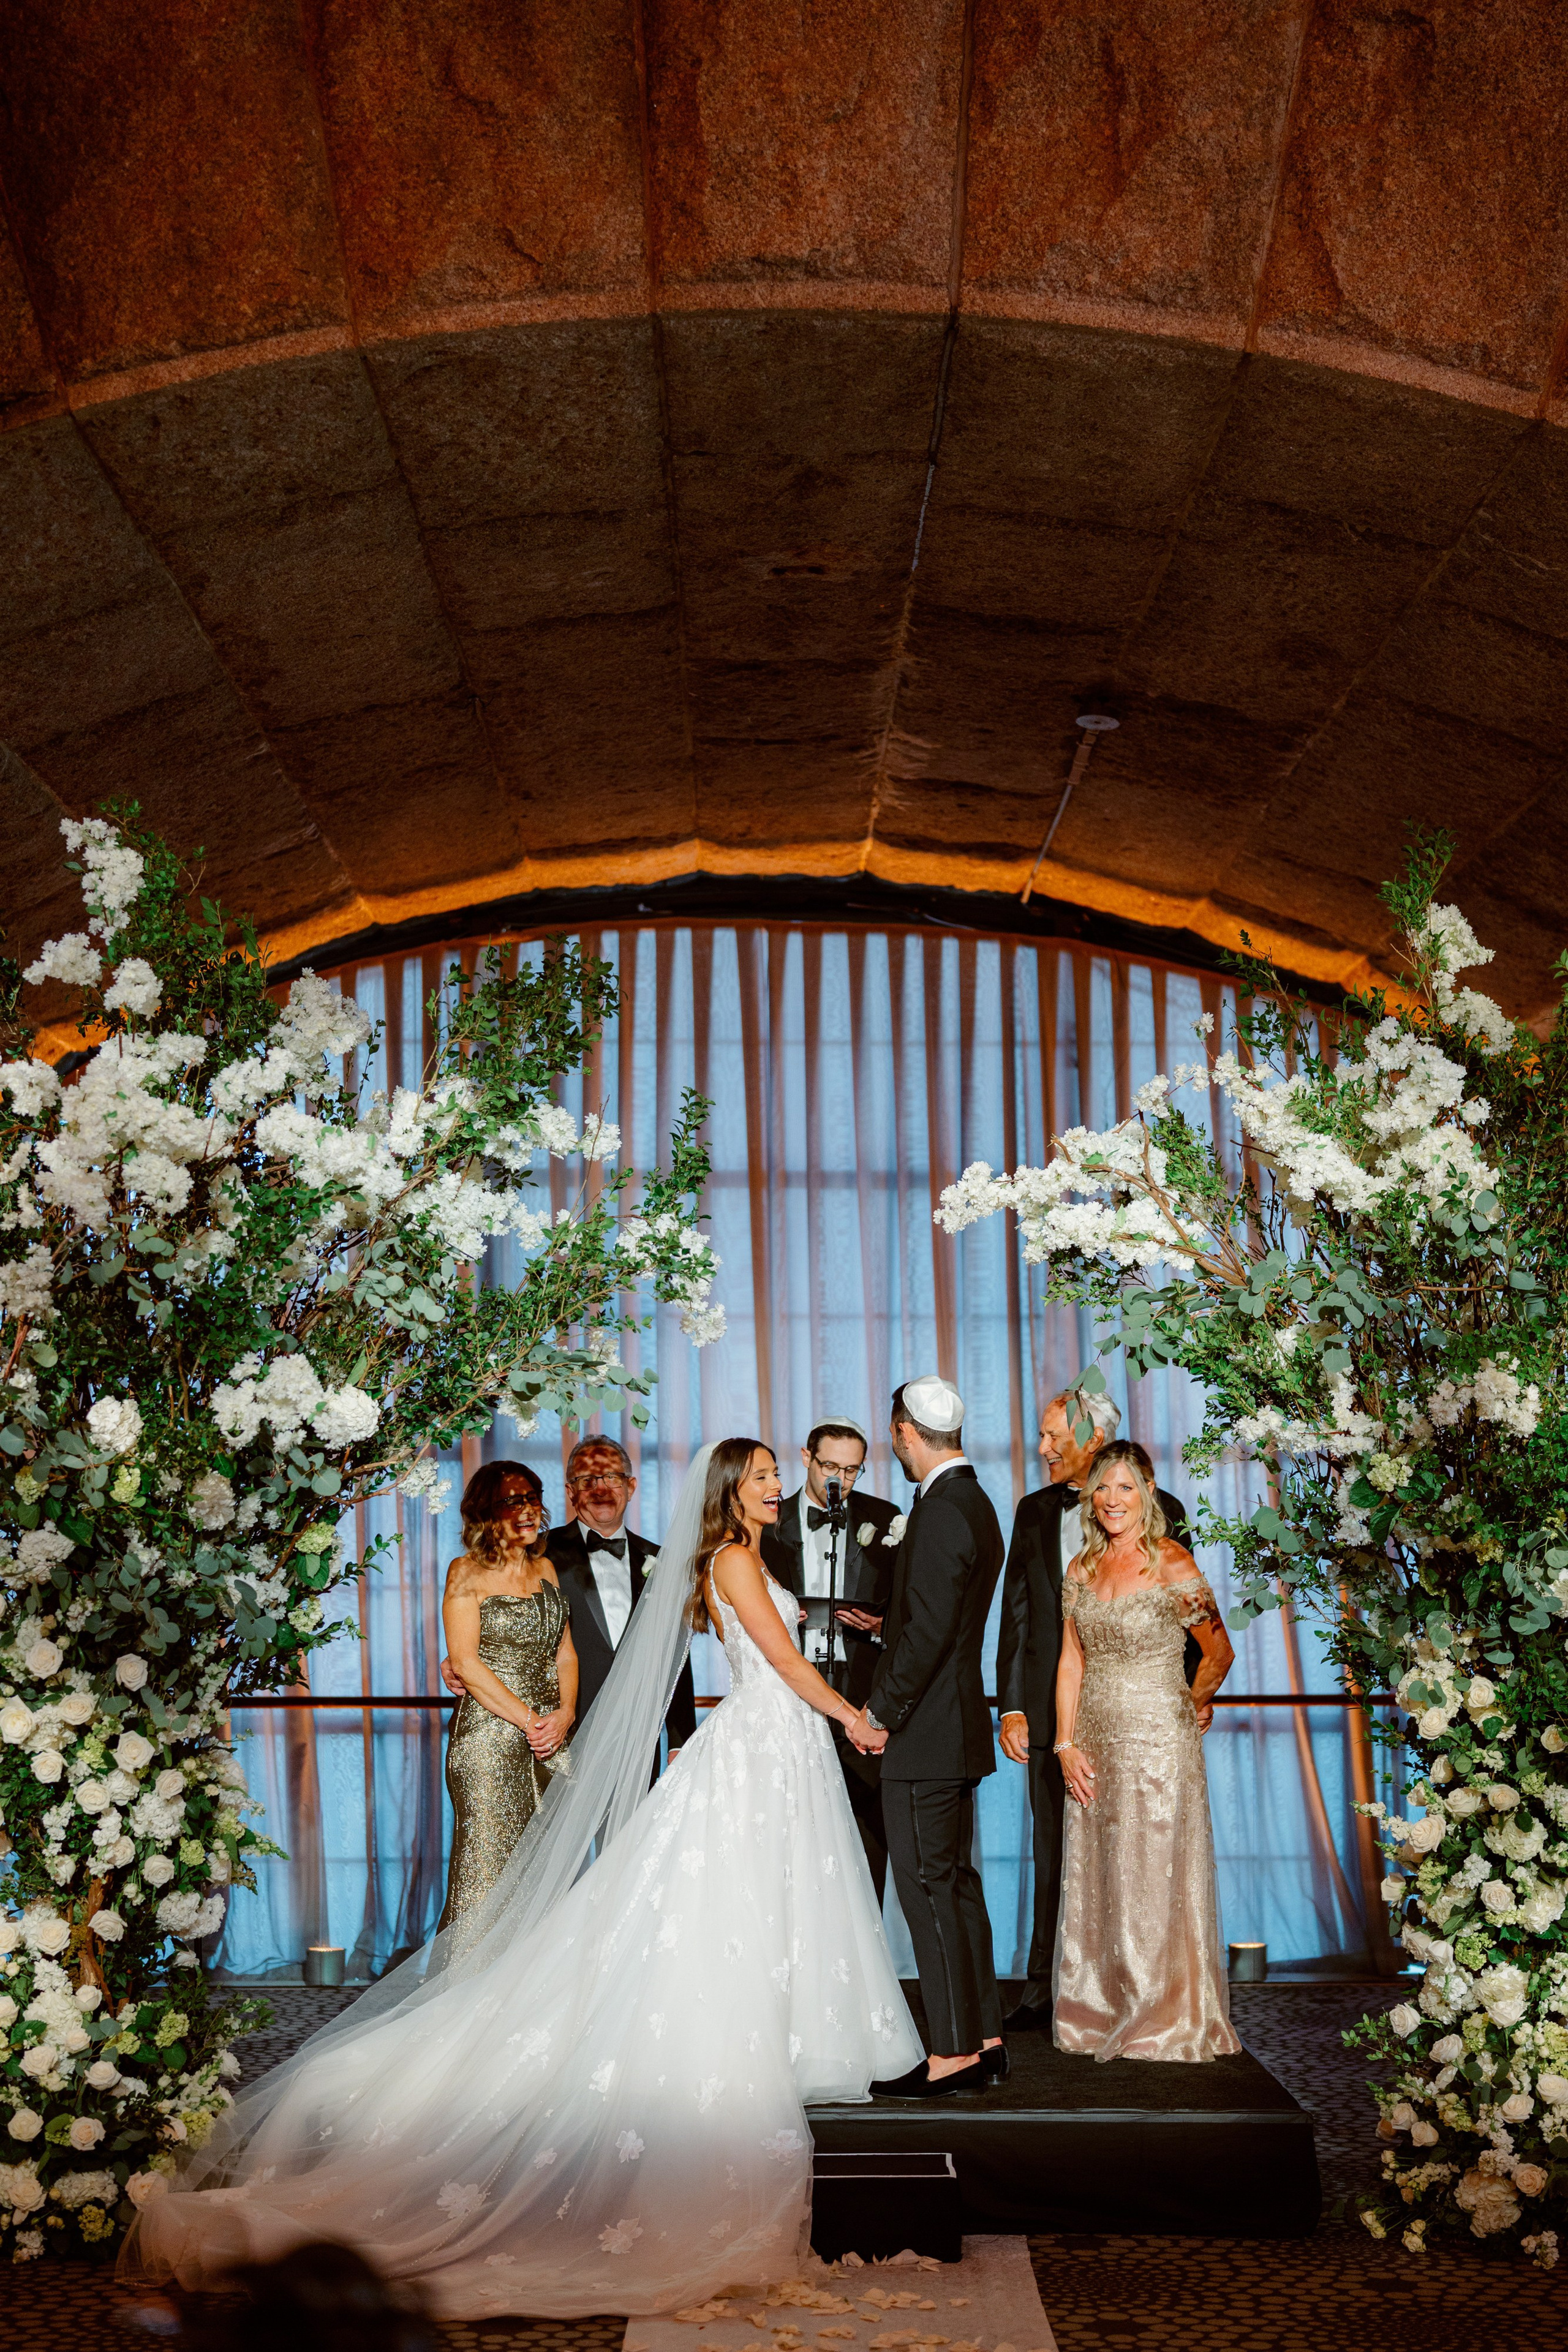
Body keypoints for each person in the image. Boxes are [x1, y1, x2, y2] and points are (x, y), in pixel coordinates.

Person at [123, 1441, 923, 2318]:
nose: (779, 1489)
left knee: (771, 1899)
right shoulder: (731, 1559)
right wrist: (854, 1714)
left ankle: (796, 2027)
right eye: (766, 1477)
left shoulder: (735, 1555)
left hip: (778, 1746)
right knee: (709, 1904)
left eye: (777, 1477)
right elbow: (782, 1659)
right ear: (734, 1490)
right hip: (764, 1738)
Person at [995, 1389, 1190, 2033]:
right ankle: (1046, 1987)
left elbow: (1187, 1623)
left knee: (1141, 1850)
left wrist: (1184, 1702)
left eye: (1054, 1436)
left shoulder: (1169, 1515)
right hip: (1056, 1712)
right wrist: (1013, 1708)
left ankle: (1139, 1988)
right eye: (1042, 1436)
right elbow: (1016, 1615)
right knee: (1055, 1848)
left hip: (1141, 1717)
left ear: (1093, 1435)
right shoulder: (1031, 1512)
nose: (1044, 1448)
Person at [1053, 1440, 1240, 2063]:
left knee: (1152, 1874)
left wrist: (1187, 1710)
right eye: (1102, 1487)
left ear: (1148, 1493)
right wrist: (1064, 1743)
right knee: (1100, 1873)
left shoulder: (1172, 1563)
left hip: (1160, 1737)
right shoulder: (1079, 1568)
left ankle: (1162, 2013)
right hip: (1094, 1740)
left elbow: (1217, 1653)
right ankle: (1099, 2008)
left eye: (1125, 1487)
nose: (1111, 1499)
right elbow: (1070, 1662)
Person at [848, 1377, 1005, 2100]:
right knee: (958, 1888)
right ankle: (985, 2038)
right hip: (955, 1723)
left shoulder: (941, 1511)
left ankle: (950, 2054)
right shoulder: (973, 1501)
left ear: (905, 1432)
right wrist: (891, 1627)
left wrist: (880, 1712)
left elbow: (935, 1630)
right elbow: (942, 1619)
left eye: (893, 1436)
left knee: (927, 1893)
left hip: (926, 1732)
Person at [442, 1434, 695, 1759]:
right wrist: (456, 1658)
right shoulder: (535, 1553)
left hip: (638, 1739)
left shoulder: (666, 1562)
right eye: (587, 1480)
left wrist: (679, 1738)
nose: (601, 1489)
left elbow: (677, 1654)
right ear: (570, 1492)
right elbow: (487, 1615)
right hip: (558, 1734)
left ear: (631, 1487)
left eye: (612, 1478)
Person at [762, 1416, 900, 1904]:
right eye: (828, 1467)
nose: (839, 1479)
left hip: (863, 1692)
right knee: (789, 1832)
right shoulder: (765, 1522)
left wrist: (883, 1626)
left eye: (853, 1470)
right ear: (806, 1459)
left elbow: (913, 1608)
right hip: (788, 1691)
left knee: (867, 1833)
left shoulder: (886, 1520)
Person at [437, 1463, 577, 1932]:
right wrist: (532, 1721)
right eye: (512, 1501)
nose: (526, 1509)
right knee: (486, 1873)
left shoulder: (546, 1567)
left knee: (544, 1874)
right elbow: (467, 1664)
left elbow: (566, 1655)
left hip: (550, 1739)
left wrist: (566, 1715)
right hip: (489, 1743)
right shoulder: (465, 1572)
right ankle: (465, 1997)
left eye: (532, 1497)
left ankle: (529, 1998)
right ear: (484, 1512)